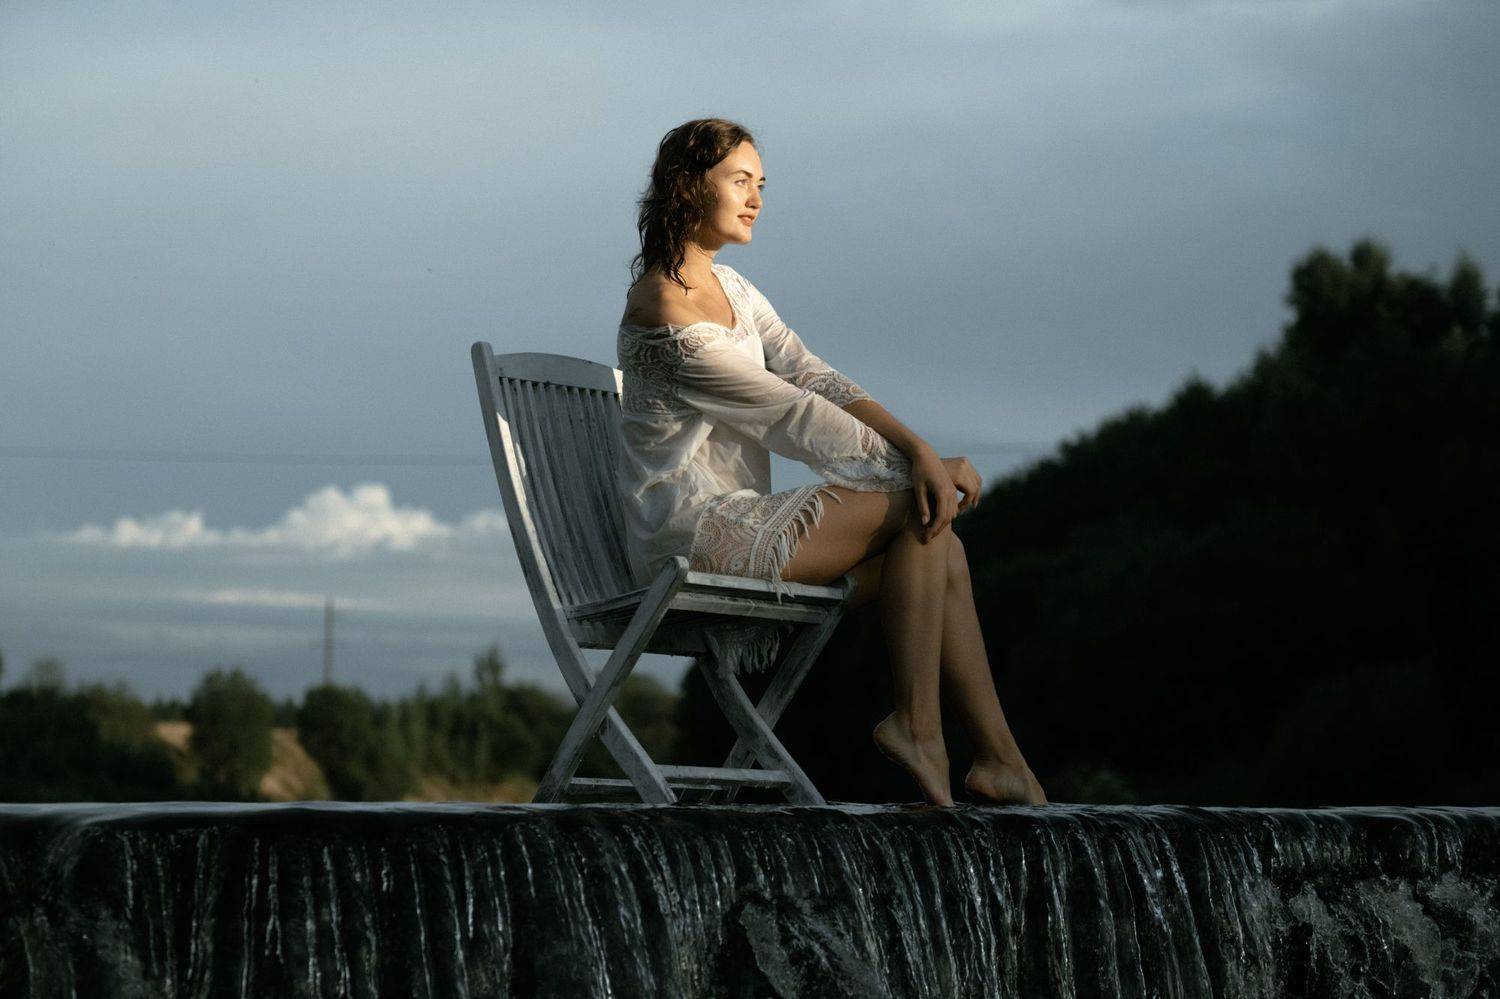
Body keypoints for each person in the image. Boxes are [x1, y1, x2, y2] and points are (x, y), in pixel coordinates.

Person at [617, 118, 1046, 807]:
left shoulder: (735, 290)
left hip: (737, 523)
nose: (756, 198)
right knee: (921, 507)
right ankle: (917, 724)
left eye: (761, 185)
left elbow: (811, 375)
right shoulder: (665, 308)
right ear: (686, 187)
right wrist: (918, 468)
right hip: (688, 534)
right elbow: (789, 413)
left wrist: (919, 449)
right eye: (739, 181)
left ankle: (998, 758)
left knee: (944, 545)